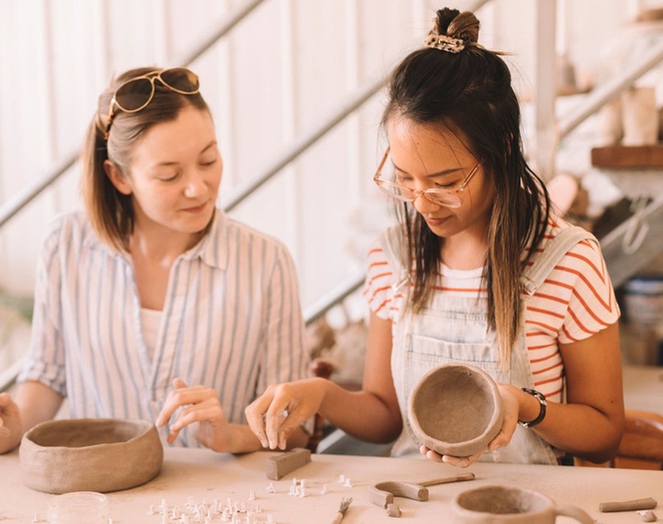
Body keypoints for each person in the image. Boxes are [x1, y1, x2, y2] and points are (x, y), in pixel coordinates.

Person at [246, 8, 625, 466]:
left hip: (527, 506)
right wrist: (321, 393)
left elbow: (605, 434)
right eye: (405, 179)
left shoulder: (568, 261)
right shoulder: (395, 256)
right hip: (418, 501)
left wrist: (526, 406)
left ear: (501, 152)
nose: (422, 204)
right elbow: (388, 416)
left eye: (445, 183)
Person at [0, 66, 309, 454]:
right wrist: (6, 429)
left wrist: (227, 435)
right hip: (99, 493)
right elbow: (48, 377)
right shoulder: (65, 245)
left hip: (218, 500)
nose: (198, 187)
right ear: (119, 177)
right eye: (169, 175)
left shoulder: (266, 262)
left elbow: (296, 428)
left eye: (208, 161)